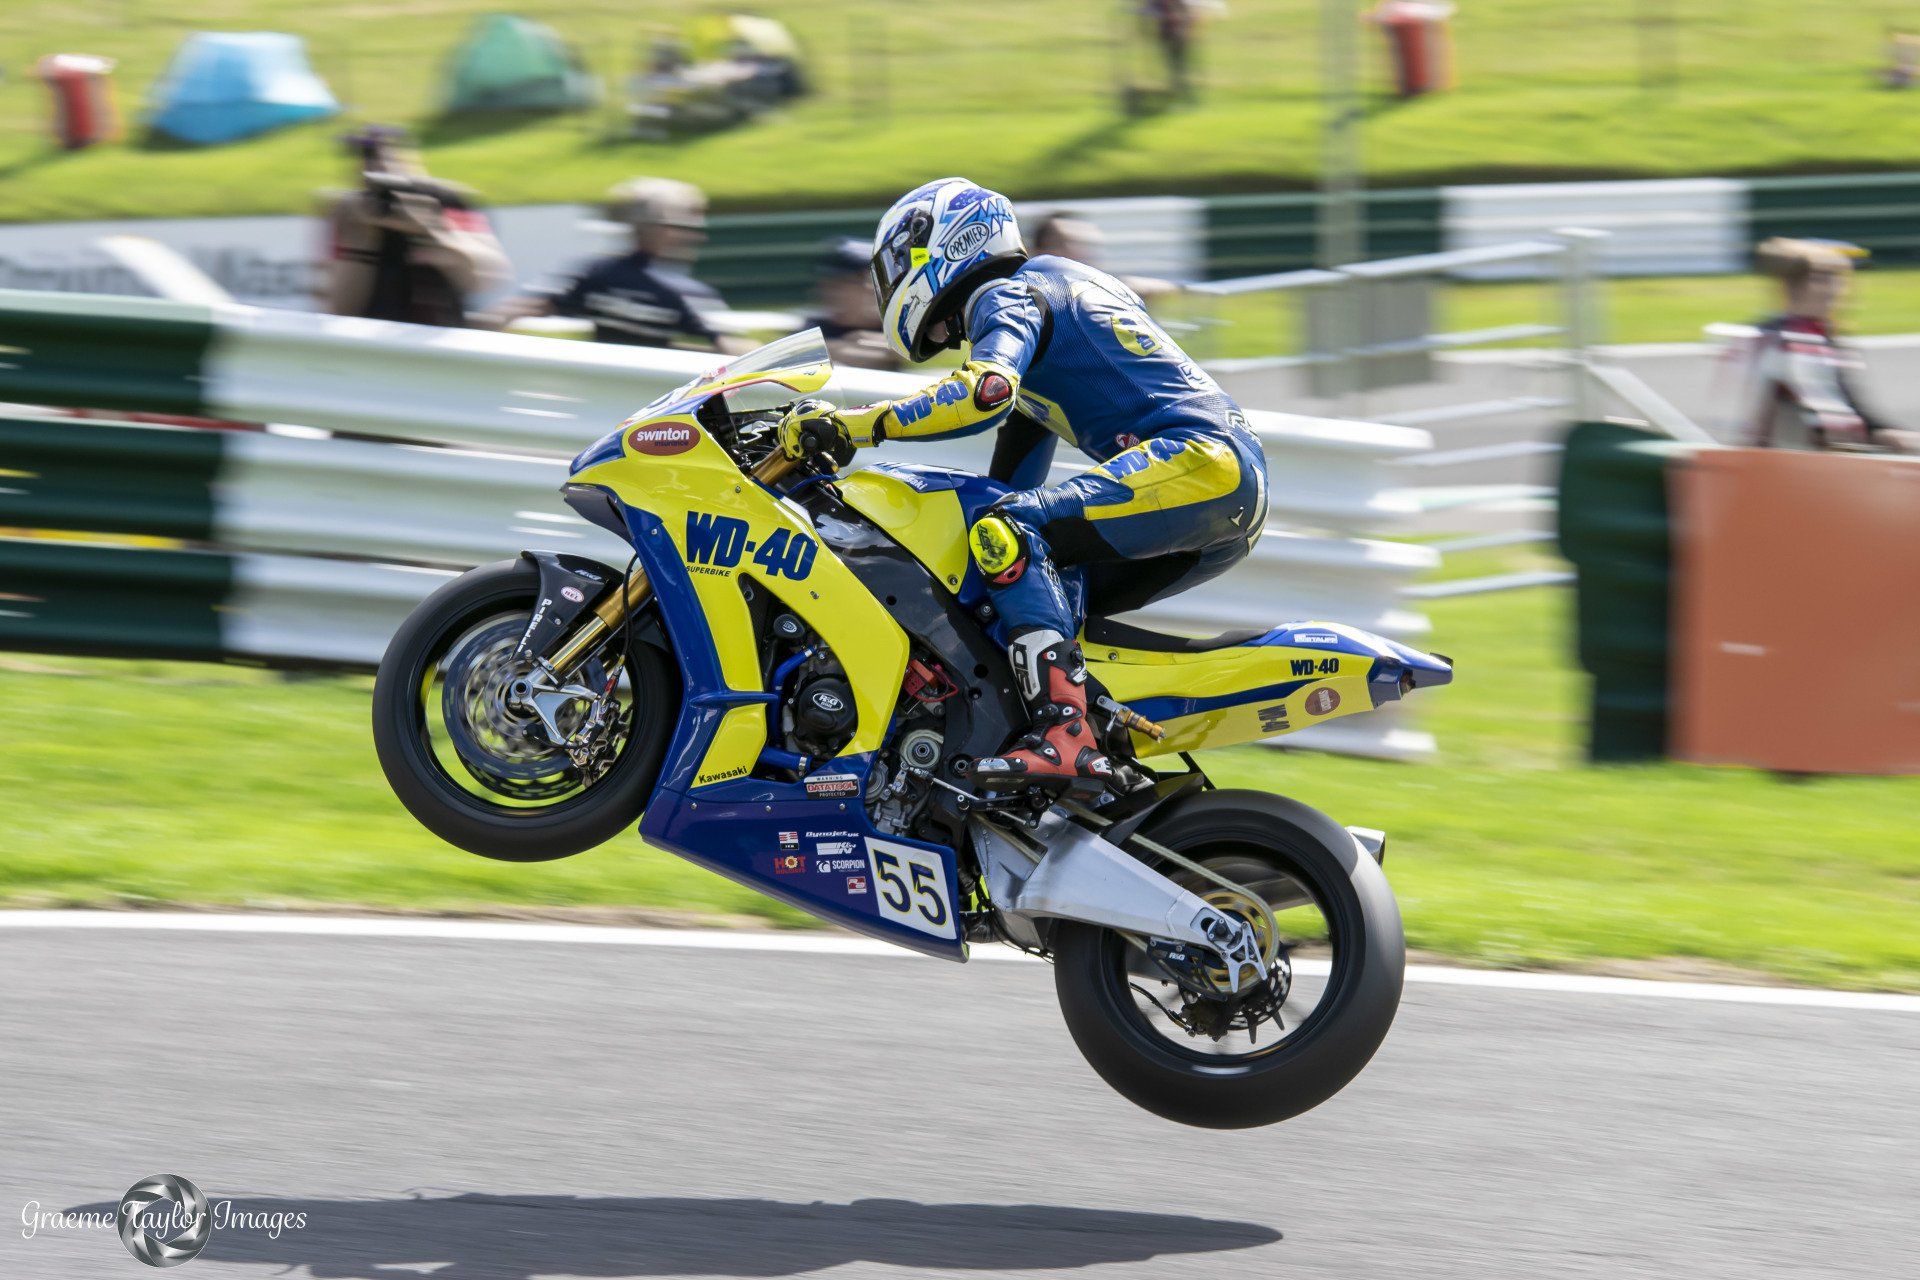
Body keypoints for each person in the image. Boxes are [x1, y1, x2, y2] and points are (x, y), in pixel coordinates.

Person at [775, 178, 1268, 786]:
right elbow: (1005, 485)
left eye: (897, 266)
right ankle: (1084, 736)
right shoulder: (1050, 294)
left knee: (1006, 532)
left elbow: (985, 392)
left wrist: (855, 428)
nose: (887, 286)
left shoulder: (1005, 294)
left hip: (1199, 464)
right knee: (1020, 563)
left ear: (948, 242)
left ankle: (1064, 736)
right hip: (1219, 482)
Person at [493, 178, 742, 351]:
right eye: (687, 227)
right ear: (654, 228)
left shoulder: (596, 273)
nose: (699, 237)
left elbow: (516, 311)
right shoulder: (684, 292)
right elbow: (729, 350)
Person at [1726, 238, 1916, 453]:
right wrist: (1889, 438)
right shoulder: (1798, 342)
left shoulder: (1781, 334)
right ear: (1790, 287)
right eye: (1825, 279)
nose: (1837, 289)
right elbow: (1839, 425)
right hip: (1792, 467)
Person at [319, 126, 509, 327]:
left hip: (441, 333)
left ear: (411, 160)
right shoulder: (351, 211)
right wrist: (361, 243)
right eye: (368, 163)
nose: (380, 172)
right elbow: (341, 310)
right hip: (374, 338)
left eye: (389, 161)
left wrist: (430, 232)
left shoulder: (446, 200)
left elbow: (487, 276)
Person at [802, 237, 898, 371]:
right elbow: (803, 355)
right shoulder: (815, 328)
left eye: (844, 283)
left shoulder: (893, 328)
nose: (832, 292)